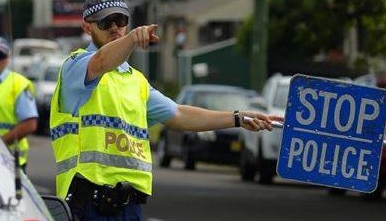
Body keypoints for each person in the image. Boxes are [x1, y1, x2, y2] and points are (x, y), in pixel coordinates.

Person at [49, 0, 284, 220]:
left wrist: (237, 118)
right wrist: (130, 39)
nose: (114, 28)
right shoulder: (76, 66)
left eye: (120, 21)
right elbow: (101, 62)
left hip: (129, 206)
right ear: (87, 28)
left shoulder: (135, 81)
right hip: (87, 204)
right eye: (105, 22)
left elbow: (179, 114)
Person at [0, 37, 38, 173]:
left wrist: (1, 144)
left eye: (1, 56)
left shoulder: (18, 84)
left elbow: (29, 124)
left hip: (10, 162)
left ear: (8, 58)